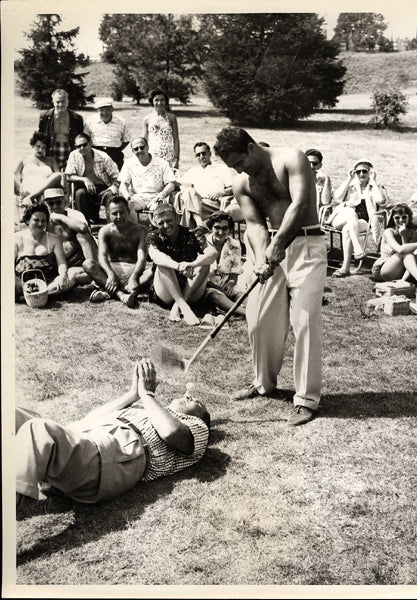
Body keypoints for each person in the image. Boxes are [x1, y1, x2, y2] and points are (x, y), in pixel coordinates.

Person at [214, 127, 327, 427]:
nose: (238, 170)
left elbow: (300, 205)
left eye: (240, 162)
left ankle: (305, 400)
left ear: (251, 148)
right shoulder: (242, 183)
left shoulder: (292, 158)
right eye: (233, 167)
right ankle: (263, 382)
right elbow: (254, 223)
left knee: (303, 322)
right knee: (260, 319)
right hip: (271, 248)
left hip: (306, 244)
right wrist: (264, 255)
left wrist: (277, 247)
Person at [16, 357, 210, 515]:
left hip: (116, 455)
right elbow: (90, 419)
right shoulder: (150, 409)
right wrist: (133, 394)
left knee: (37, 431)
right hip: (87, 442)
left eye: (197, 403)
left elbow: (172, 433)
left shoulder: (197, 428)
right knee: (14, 415)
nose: (189, 396)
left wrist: (147, 395)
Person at [147, 204, 218, 325]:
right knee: (163, 263)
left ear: (178, 218)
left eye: (169, 220)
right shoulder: (154, 236)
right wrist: (179, 266)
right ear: (155, 223)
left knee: (205, 263)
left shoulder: (193, 234)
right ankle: (184, 306)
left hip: (190, 289)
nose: (166, 226)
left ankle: (179, 304)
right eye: (161, 223)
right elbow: (155, 256)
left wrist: (193, 264)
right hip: (165, 291)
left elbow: (213, 253)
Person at [327, 159, 388, 277]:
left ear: (370, 172)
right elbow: (337, 198)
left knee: (347, 229)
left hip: (363, 221)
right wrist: (348, 179)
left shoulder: (374, 186)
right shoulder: (350, 184)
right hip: (341, 218)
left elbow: (381, 201)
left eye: (364, 171)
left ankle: (345, 268)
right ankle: (358, 249)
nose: (361, 174)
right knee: (351, 212)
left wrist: (374, 182)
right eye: (358, 171)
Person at [88, 196, 153, 308]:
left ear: (128, 211)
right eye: (114, 213)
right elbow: (102, 257)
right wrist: (110, 275)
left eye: (122, 213)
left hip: (134, 270)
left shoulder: (141, 230)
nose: (119, 217)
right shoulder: (105, 231)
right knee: (88, 264)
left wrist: (134, 277)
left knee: (154, 270)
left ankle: (109, 291)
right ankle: (122, 294)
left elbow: (142, 258)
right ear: (108, 214)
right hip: (114, 269)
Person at [43, 188, 100, 286]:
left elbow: (83, 228)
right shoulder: (44, 220)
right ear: (46, 205)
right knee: (71, 276)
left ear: (65, 202)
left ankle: (95, 271)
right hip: (63, 263)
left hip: (83, 258)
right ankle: (92, 278)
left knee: (82, 235)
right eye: (51, 204)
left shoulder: (74, 214)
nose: (55, 206)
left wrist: (61, 217)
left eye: (58, 202)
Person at [14, 203, 72, 300]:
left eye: (43, 221)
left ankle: (30, 297)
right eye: (36, 220)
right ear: (28, 220)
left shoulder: (54, 239)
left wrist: (62, 276)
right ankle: (41, 296)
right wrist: (21, 285)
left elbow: (62, 263)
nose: (40, 224)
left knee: (72, 275)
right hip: (22, 284)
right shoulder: (16, 238)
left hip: (48, 284)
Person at [64, 133, 120, 224]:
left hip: (104, 188)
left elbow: (116, 176)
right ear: (75, 146)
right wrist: (85, 179)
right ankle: (85, 226)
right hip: (85, 188)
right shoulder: (74, 155)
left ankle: (112, 226)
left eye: (84, 144)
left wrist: (114, 186)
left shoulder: (103, 156)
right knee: (79, 194)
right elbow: (68, 176)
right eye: (79, 146)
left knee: (110, 195)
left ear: (90, 143)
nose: (82, 148)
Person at [371, 203, 417, 284]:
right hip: (384, 269)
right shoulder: (389, 232)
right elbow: (401, 250)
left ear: (409, 217)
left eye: (404, 217)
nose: (400, 220)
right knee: (407, 252)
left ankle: (402, 283)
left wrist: (405, 235)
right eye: (397, 218)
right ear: (392, 218)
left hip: (402, 270)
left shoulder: (412, 232)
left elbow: (408, 251)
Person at [119, 137, 177, 220]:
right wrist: (127, 195)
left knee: (160, 209)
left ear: (147, 147)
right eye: (136, 149)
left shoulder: (161, 162)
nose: (139, 150)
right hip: (137, 198)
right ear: (132, 151)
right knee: (126, 205)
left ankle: (157, 231)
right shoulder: (129, 163)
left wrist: (163, 194)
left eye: (142, 147)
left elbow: (171, 184)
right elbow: (123, 184)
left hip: (156, 196)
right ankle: (135, 230)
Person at [179, 142, 235, 225]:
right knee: (188, 192)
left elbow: (233, 188)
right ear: (195, 156)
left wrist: (221, 192)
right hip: (198, 203)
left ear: (210, 154)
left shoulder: (221, 168)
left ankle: (192, 230)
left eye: (204, 153)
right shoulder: (193, 171)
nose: (201, 157)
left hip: (214, 204)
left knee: (187, 209)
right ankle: (199, 225)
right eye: (198, 155)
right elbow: (179, 184)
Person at [204, 211, 246, 317]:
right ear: (211, 228)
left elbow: (234, 273)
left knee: (243, 296)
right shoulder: (202, 243)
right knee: (215, 296)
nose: (220, 232)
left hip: (226, 286)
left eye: (224, 228)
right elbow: (199, 276)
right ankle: (247, 313)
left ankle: (257, 311)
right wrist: (219, 289)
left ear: (230, 230)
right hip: (207, 287)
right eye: (217, 227)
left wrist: (230, 284)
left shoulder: (235, 245)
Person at [38, 89, 84, 171]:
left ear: (68, 101)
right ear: (53, 102)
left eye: (63, 101)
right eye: (57, 102)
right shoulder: (45, 116)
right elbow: (40, 136)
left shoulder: (76, 118)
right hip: (51, 150)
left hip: (70, 150)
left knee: (70, 177)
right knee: (51, 177)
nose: (60, 104)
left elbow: (80, 138)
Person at [14, 131, 62, 205]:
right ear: (32, 145)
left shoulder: (51, 160)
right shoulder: (24, 159)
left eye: (43, 148)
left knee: (58, 175)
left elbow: (59, 177)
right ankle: (29, 197)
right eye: (38, 146)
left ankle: (31, 197)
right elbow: (13, 176)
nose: (40, 150)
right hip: (27, 189)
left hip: (46, 192)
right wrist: (20, 190)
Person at [84, 98, 130, 170]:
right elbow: (85, 138)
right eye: (101, 110)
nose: (105, 113)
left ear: (112, 109)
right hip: (95, 153)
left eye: (107, 110)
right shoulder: (90, 121)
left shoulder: (121, 122)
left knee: (116, 178)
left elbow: (126, 140)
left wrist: (115, 149)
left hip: (115, 155)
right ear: (98, 110)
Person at [142, 90, 180, 171]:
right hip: (152, 156)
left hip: (169, 157)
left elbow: (176, 139)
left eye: (162, 100)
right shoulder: (147, 119)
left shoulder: (171, 117)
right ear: (152, 101)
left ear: (166, 102)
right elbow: (143, 140)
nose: (159, 103)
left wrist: (176, 158)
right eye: (156, 100)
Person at [305, 149, 333, 219]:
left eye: (314, 163)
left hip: (316, 218)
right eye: (308, 163)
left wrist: (327, 179)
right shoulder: (297, 179)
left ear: (320, 166)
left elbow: (325, 201)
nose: (311, 166)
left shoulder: (323, 181)